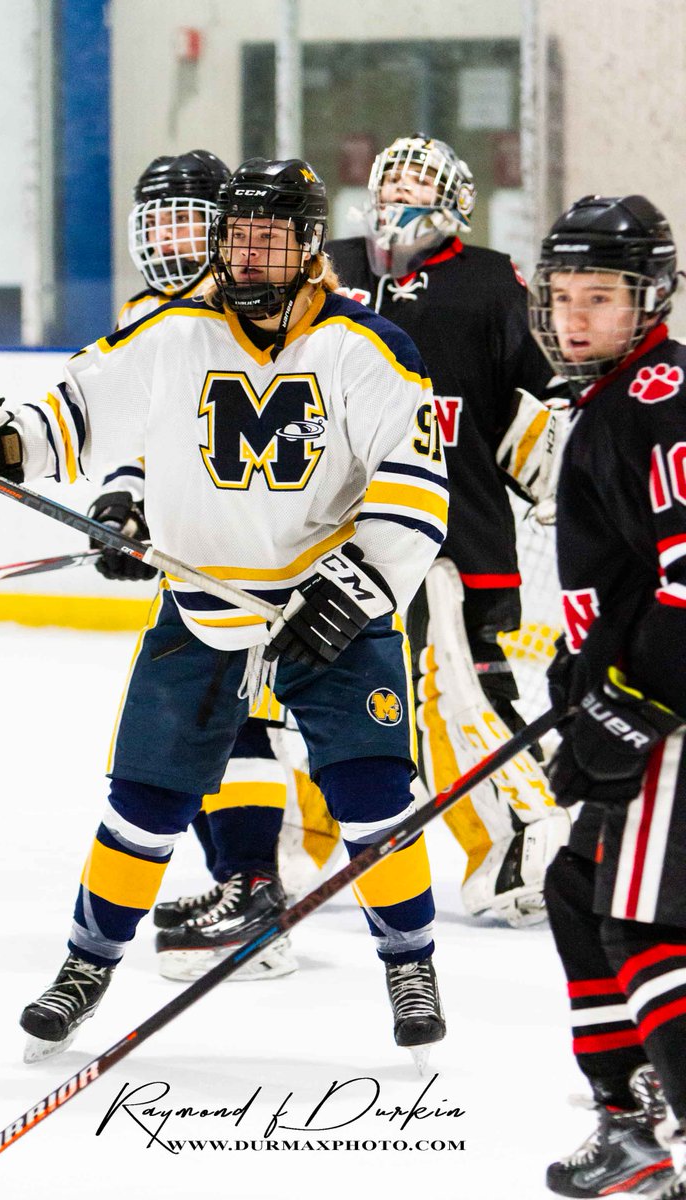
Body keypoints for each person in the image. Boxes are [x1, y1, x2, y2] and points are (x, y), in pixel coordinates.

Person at [0, 157, 449, 1071]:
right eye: (237, 237)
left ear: (311, 245)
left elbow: (416, 487)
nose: (248, 255)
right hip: (203, 605)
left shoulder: (369, 348)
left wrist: (354, 589)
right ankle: (86, 964)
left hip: (331, 608)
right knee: (144, 802)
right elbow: (68, 413)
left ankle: (411, 966)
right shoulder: (174, 330)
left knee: (374, 796)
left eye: (270, 238)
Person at [327, 133, 571, 927]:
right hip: (329, 545)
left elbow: (550, 400)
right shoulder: (331, 270)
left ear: (457, 200)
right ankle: (275, 856)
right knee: (317, 704)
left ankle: (522, 848)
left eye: (420, 181)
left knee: (461, 705)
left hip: (458, 546)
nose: (401, 192)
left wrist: (567, 466)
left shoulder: (491, 282)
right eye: (392, 179)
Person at [87, 148, 303, 983]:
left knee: (241, 723)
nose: (175, 240)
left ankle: (256, 897)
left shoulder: (263, 311)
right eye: (162, 222)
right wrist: (124, 503)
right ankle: (245, 890)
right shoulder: (151, 316)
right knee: (202, 723)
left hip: (271, 555)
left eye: (191, 221)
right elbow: (140, 430)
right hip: (202, 562)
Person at [528, 193, 686, 1198]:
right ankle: (628, 1118)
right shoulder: (606, 399)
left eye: (599, 296)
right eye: (561, 296)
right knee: (576, 890)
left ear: (649, 298)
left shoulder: (660, 399)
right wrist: (578, 680)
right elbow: (619, 573)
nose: (575, 316)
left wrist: (630, 706)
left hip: (670, 714)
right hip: (636, 695)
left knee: (643, 927)